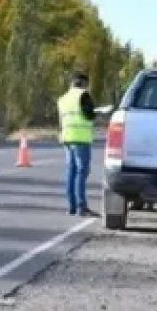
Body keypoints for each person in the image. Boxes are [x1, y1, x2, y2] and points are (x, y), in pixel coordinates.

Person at [58, 71, 98, 216]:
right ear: (84, 83)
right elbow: (89, 115)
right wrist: (97, 112)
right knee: (82, 172)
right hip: (81, 138)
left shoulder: (63, 98)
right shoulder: (83, 95)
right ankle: (82, 206)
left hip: (67, 138)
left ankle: (72, 206)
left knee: (71, 171)